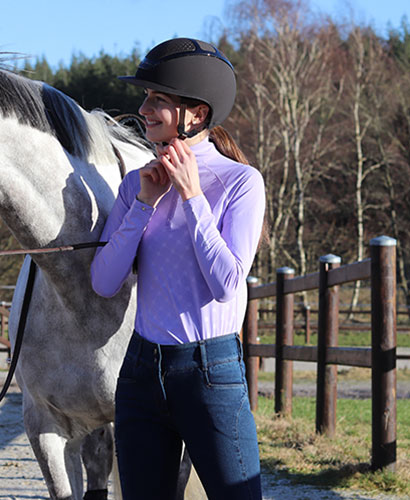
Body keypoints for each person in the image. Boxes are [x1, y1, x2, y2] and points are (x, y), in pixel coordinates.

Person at [90, 38, 265, 499]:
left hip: (211, 372)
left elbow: (227, 284)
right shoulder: (136, 185)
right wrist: (144, 204)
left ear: (197, 115)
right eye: (146, 96)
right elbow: (104, 281)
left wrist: (191, 198)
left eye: (158, 99)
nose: (143, 108)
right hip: (141, 370)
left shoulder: (240, 183)